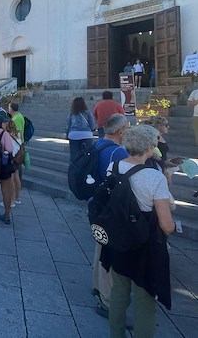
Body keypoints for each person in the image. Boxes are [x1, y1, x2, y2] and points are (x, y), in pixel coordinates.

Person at [100, 125, 175, 337]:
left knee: (119, 291)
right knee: (145, 298)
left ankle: (117, 334)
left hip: (120, 237)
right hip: (146, 241)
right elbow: (166, 224)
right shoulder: (154, 178)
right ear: (150, 149)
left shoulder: (113, 167)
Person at [91, 114, 130, 318]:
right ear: (121, 131)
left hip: (95, 204)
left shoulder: (98, 144)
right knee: (110, 255)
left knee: (100, 248)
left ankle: (97, 286)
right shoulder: (119, 152)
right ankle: (107, 299)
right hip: (111, 208)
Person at [3, 118, 22, 206]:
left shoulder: (7, 135)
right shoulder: (17, 134)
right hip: (18, 157)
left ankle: (11, 200)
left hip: (12, 158)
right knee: (16, 177)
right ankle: (17, 198)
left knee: (11, 180)